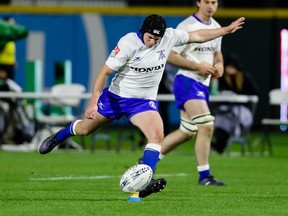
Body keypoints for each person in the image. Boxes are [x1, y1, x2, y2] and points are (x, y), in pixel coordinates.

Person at [38, 14, 245, 200]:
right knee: (85, 129)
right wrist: (93, 102)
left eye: (157, 39)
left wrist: (226, 30)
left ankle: (144, 183)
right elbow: (104, 73)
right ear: (142, 31)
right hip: (116, 98)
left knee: (156, 134)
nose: (153, 42)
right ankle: (58, 137)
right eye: (150, 37)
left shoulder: (169, 37)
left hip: (143, 102)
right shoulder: (128, 42)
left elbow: (198, 35)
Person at [159, 0, 226, 186]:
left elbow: (217, 54)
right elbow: (171, 55)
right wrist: (198, 66)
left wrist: (219, 65)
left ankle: (148, 160)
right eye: (206, 1)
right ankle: (204, 176)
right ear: (198, 2)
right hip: (187, 81)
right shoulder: (187, 26)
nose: (211, 6)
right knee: (206, 125)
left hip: (202, 85)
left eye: (214, 2)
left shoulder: (216, 26)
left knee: (187, 131)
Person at [211, 54, 258, 154]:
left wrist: (237, 95)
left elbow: (254, 93)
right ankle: (220, 142)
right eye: (229, 67)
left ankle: (221, 143)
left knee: (232, 115)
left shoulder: (244, 77)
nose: (231, 70)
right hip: (226, 109)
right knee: (222, 116)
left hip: (242, 110)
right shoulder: (222, 78)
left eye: (233, 67)